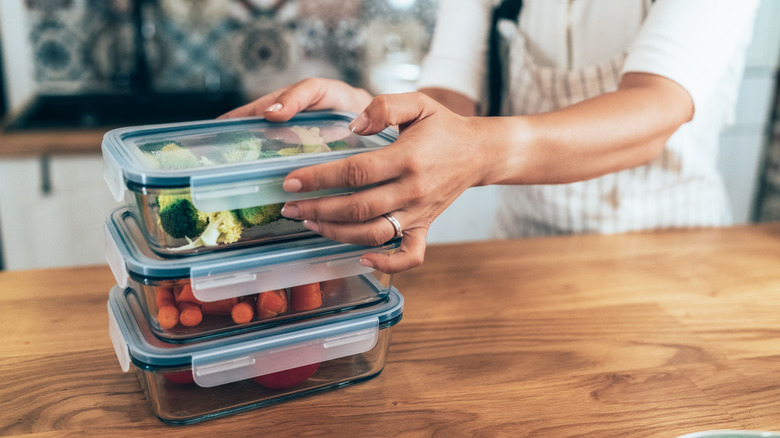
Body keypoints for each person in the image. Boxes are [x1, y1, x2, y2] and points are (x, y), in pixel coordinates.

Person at [220, 0, 760, 274]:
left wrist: (479, 153)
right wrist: (367, 118)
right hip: (521, 258)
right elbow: (447, 103)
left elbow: (656, 109)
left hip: (678, 254)